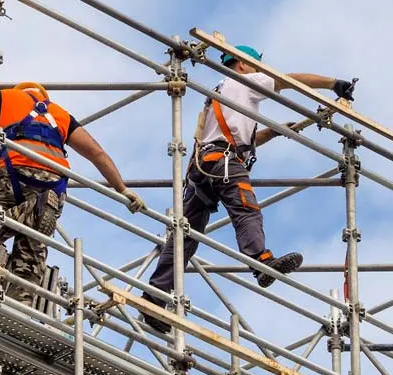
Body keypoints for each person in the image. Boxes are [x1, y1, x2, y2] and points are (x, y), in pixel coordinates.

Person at [141, 45, 357, 334]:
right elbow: (287, 80)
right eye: (256, 66)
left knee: (185, 238)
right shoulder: (245, 81)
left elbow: (232, 138)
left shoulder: (221, 92)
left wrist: (271, 131)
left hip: (203, 168)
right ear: (242, 64)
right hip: (224, 164)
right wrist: (333, 84)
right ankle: (261, 261)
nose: (260, 72)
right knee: (246, 209)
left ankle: (154, 297)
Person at [0, 82, 145, 306]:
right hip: (54, 186)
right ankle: (20, 306)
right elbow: (96, 152)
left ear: (20, 91)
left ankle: (36, 209)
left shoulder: (5, 98)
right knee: (30, 257)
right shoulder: (61, 114)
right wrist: (122, 189)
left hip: (14, 174)